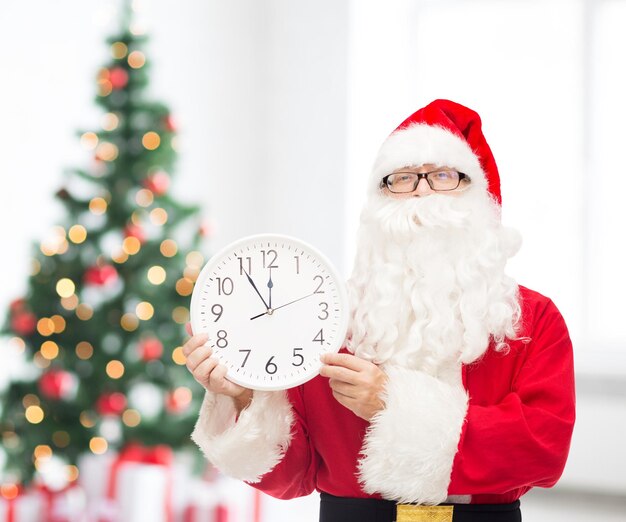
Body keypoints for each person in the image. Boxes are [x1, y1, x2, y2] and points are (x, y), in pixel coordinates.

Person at [183, 99, 576, 522]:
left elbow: (543, 449)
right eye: (402, 179)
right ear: (377, 203)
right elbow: (293, 476)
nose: (422, 190)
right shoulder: (327, 317)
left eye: (443, 175)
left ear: (478, 196)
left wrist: (392, 403)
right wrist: (243, 396)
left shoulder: (533, 319)